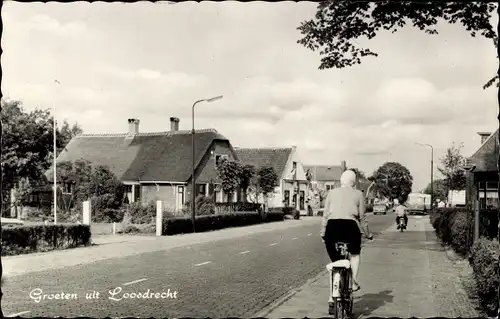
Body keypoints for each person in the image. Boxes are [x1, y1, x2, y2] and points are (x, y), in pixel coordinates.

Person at [320, 170, 373, 293]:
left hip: (332, 227)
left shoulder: (331, 193)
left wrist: (323, 233)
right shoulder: (359, 194)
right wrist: (368, 235)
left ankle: (331, 297)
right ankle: (353, 281)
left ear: (341, 181)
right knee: (354, 254)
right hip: (350, 227)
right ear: (353, 183)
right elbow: (362, 218)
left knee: (335, 263)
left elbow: (325, 215)